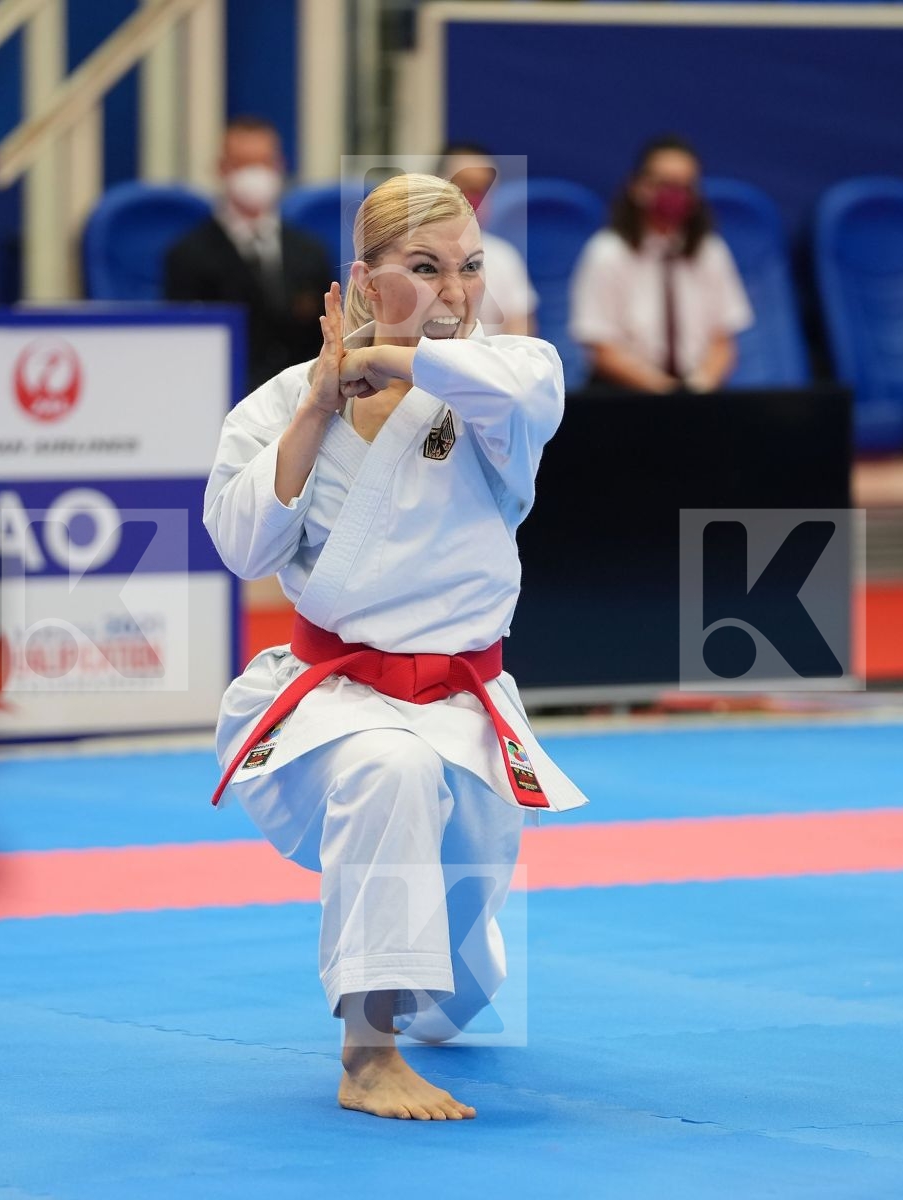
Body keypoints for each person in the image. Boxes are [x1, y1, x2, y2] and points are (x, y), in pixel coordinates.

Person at [203, 173, 589, 1121]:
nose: (457, 292)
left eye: (469, 267)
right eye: (424, 269)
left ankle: (439, 985)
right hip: (335, 703)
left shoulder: (512, 374)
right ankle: (366, 1054)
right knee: (389, 771)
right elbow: (241, 547)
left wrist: (398, 363)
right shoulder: (278, 404)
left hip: (465, 711)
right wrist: (319, 405)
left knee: (459, 991)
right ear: (364, 282)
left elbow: (526, 385)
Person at [569, 135, 753, 393]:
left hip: (698, 393)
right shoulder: (607, 252)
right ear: (637, 187)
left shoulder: (711, 251)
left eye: (684, 186)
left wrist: (699, 388)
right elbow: (601, 348)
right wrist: (665, 392)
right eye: (664, 184)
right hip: (624, 395)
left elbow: (723, 341)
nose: (674, 195)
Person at [165, 116, 335, 392]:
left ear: (279, 166)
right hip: (223, 395)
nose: (255, 174)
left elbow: (322, 338)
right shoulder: (187, 255)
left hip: (302, 397)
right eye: (243, 164)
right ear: (222, 169)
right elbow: (184, 347)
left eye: (264, 162)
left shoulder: (310, 252)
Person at [438, 142, 538, 336]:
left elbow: (520, 340)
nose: (472, 199)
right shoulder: (405, 253)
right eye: (464, 186)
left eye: (482, 189)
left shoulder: (504, 257)